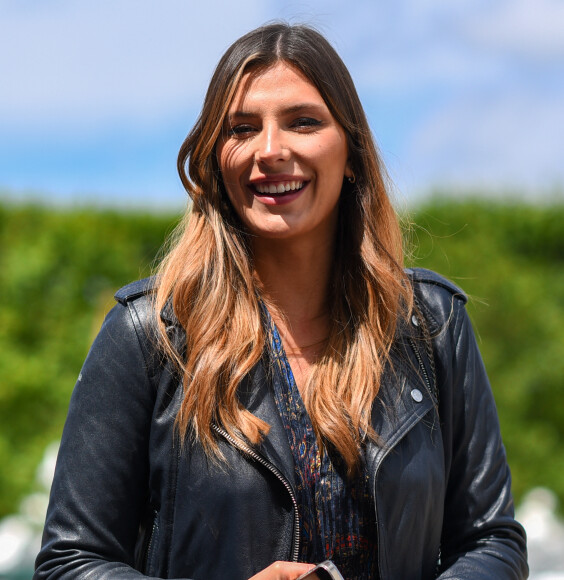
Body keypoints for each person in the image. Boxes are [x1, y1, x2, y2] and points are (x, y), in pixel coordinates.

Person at [34, 22, 528, 580]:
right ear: (217, 160)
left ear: (352, 155)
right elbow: (69, 563)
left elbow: (492, 542)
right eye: (242, 128)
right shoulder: (148, 336)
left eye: (304, 122)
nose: (270, 150)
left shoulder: (430, 325)